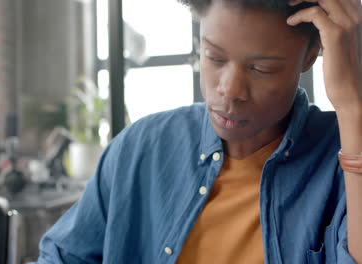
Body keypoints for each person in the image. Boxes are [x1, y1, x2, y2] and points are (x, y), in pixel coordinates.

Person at [33, 0, 362, 263]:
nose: (229, 90)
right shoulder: (141, 147)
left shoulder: (340, 157)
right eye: (213, 57)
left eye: (262, 68)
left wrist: (352, 105)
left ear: (310, 56)